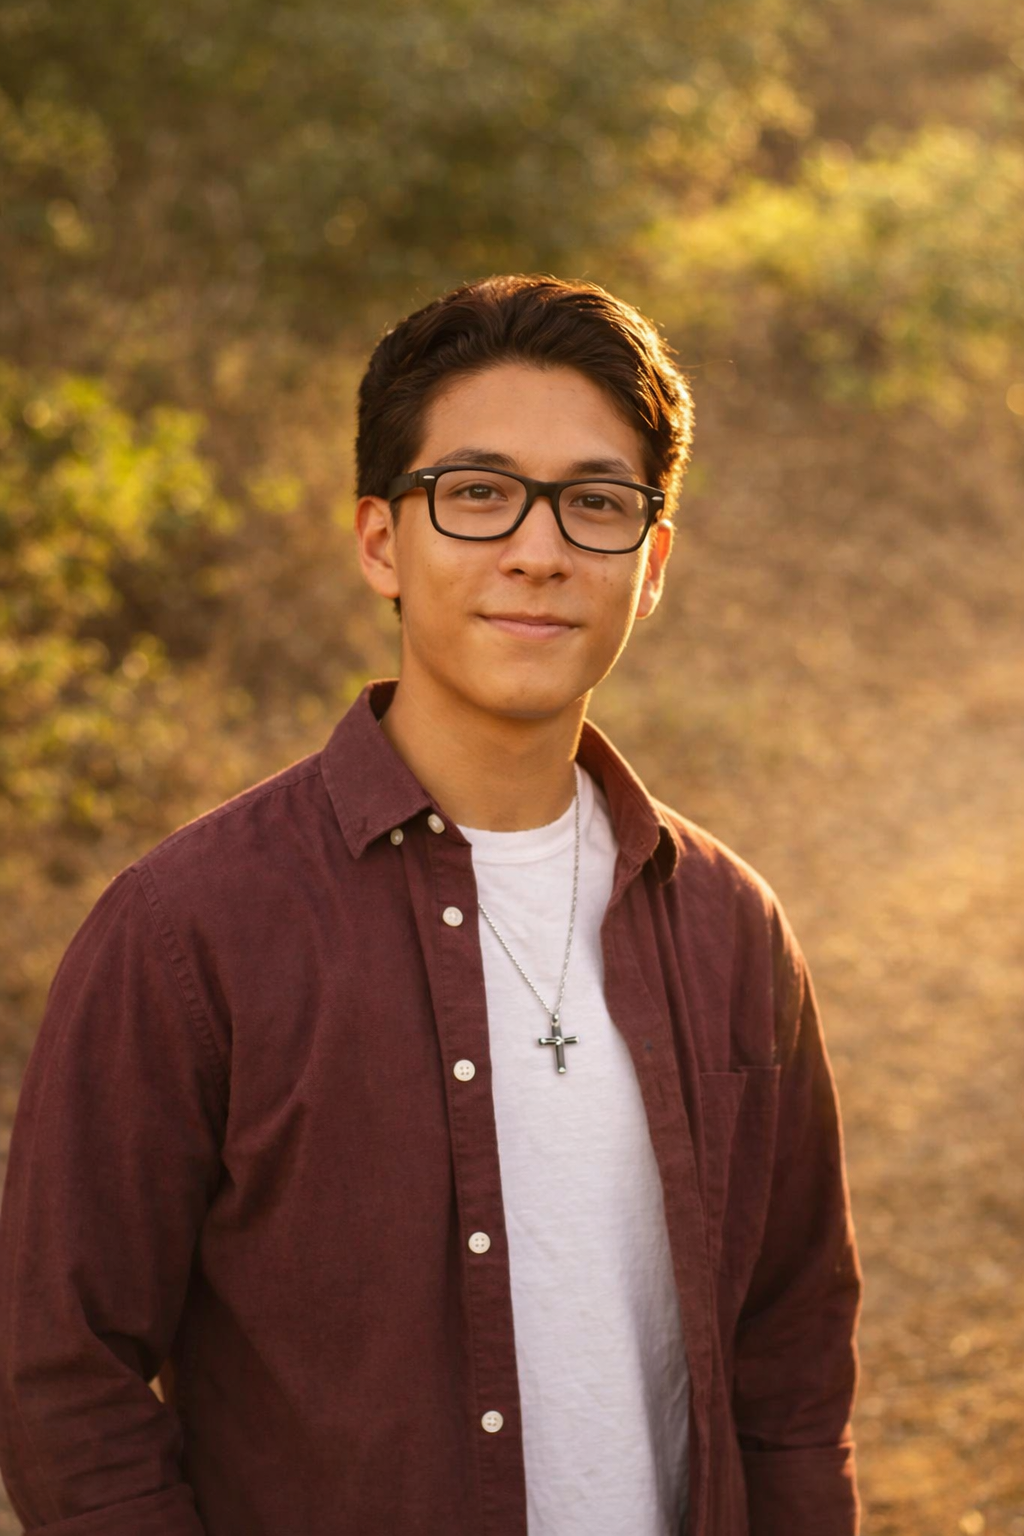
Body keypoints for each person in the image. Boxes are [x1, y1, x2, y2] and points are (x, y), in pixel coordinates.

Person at [0, 274, 862, 1536]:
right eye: (476, 493)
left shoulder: (727, 926)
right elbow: (62, 1376)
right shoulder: (191, 931)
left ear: (652, 561)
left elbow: (792, 1357)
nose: (538, 548)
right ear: (377, 541)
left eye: (596, 503)